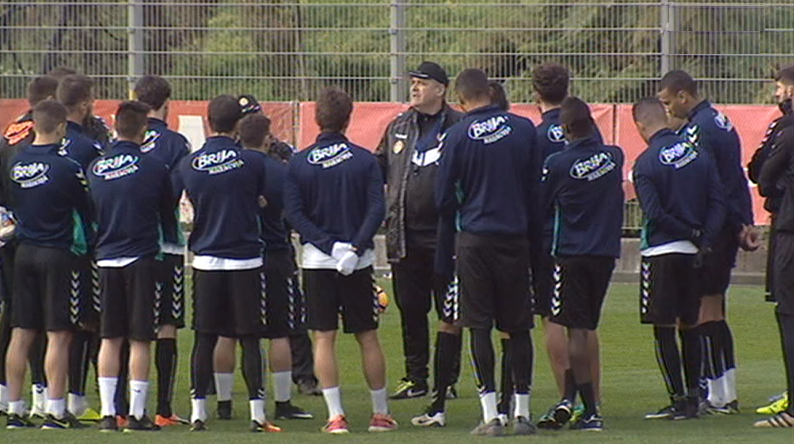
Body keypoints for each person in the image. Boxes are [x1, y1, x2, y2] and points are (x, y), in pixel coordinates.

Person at [285, 86, 396, 434]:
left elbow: (294, 214)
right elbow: (377, 207)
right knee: (367, 335)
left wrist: (328, 246)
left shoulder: (299, 162)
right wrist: (354, 247)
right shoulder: (363, 160)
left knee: (323, 338)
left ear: (317, 117)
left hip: (318, 260)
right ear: (348, 119)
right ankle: (380, 414)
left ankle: (336, 416)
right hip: (357, 261)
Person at [435, 68, 539, 437]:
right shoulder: (525, 128)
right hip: (516, 237)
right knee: (517, 326)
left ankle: (491, 415)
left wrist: (466, 205)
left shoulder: (457, 134)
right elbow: (534, 185)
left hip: (475, 239)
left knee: (478, 324)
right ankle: (523, 413)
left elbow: (443, 196)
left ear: (460, 101)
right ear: (491, 95)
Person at [175, 95, 277, 433]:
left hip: (205, 260)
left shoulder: (190, 164)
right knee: (250, 338)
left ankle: (198, 414)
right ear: (238, 125)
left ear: (208, 122)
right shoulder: (252, 162)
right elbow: (262, 198)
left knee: (204, 337)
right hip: (245, 259)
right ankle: (257, 414)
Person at [658, 70, 758, 413]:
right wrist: (744, 221)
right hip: (727, 224)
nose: (668, 110)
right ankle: (724, 390)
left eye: (669, 102)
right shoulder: (719, 120)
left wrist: (711, 228)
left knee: (706, 310)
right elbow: (735, 176)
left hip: (712, 230)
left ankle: (718, 394)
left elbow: (708, 183)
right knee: (713, 307)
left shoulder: (699, 129)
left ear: (684, 96)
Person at [632, 97, 726, 421]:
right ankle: (696, 396)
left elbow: (654, 213)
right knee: (690, 323)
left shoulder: (644, 163)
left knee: (663, 327)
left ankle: (678, 399)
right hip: (693, 253)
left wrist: (688, 232)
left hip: (661, 252)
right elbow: (718, 200)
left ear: (640, 126)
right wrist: (704, 236)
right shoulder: (697, 153)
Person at [375, 61, 463, 401]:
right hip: (405, 235)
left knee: (449, 310)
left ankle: (447, 379)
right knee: (411, 309)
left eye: (422, 83)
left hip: (444, 236)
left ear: (440, 89)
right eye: (412, 82)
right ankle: (416, 377)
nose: (414, 88)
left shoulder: (458, 125)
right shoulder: (399, 126)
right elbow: (379, 167)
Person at [4, 100, 93, 429]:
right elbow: (86, 208)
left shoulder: (16, 163)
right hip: (58, 253)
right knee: (59, 333)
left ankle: (15, 408)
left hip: (24, 251)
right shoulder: (68, 166)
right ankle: (56, 410)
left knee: (21, 331)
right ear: (61, 127)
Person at [540, 96, 624, 432]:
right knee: (587, 324)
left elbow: (542, 204)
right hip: (605, 253)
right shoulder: (614, 156)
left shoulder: (558, 163)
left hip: (572, 252)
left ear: (564, 130)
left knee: (574, 328)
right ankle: (572, 400)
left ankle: (589, 410)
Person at [89, 101, 174, 432]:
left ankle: (109, 413)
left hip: (107, 257)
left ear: (115, 126)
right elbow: (167, 216)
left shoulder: (95, 168)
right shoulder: (155, 167)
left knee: (109, 338)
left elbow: (91, 211)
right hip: (141, 256)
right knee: (140, 338)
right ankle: (138, 414)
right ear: (144, 131)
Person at [530, 63, 604, 429]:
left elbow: (535, 191)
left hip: (555, 239)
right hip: (596, 238)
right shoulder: (591, 129)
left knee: (555, 319)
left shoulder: (540, 135)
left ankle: (568, 399)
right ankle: (593, 397)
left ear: (536, 95)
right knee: (586, 322)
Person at [237, 113, 313, 420]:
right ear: (267, 137)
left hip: (240, 255)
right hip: (276, 254)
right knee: (280, 330)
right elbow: (294, 211)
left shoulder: (230, 168)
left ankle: (227, 401)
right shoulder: (280, 171)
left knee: (238, 333)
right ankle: (282, 402)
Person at [132, 75, 191, 427]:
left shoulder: (120, 138)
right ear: (166, 103)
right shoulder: (176, 143)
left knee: (127, 325)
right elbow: (174, 192)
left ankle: (122, 406)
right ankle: (164, 408)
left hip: (125, 242)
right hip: (165, 243)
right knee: (167, 322)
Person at [0, 76, 59, 418]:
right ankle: (43, 393)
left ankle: (10, 395)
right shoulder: (39, 139)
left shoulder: (10, 133)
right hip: (42, 238)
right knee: (44, 322)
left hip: (11, 237)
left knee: (16, 316)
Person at [748, 67, 794, 418]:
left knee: (789, 313)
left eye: (781, 88)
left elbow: (761, 175)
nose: (777, 94)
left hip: (790, 231)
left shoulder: (787, 131)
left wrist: (776, 186)